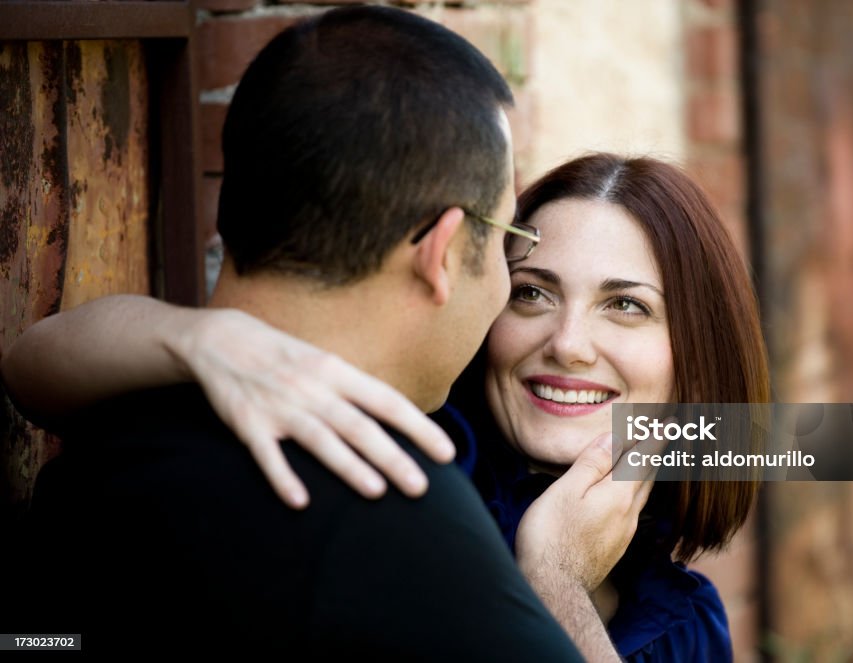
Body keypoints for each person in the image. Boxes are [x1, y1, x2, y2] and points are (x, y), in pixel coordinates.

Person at [0, 7, 637, 659]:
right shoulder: (394, 502)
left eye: (627, 305)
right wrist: (556, 582)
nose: (569, 343)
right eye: (512, 244)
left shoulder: (109, 414)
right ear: (442, 252)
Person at [5, 151, 771, 660]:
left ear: (694, 357)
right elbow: (31, 367)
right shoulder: (407, 457)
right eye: (533, 293)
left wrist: (559, 580)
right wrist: (201, 337)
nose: (568, 343)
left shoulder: (687, 622)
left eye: (626, 307)